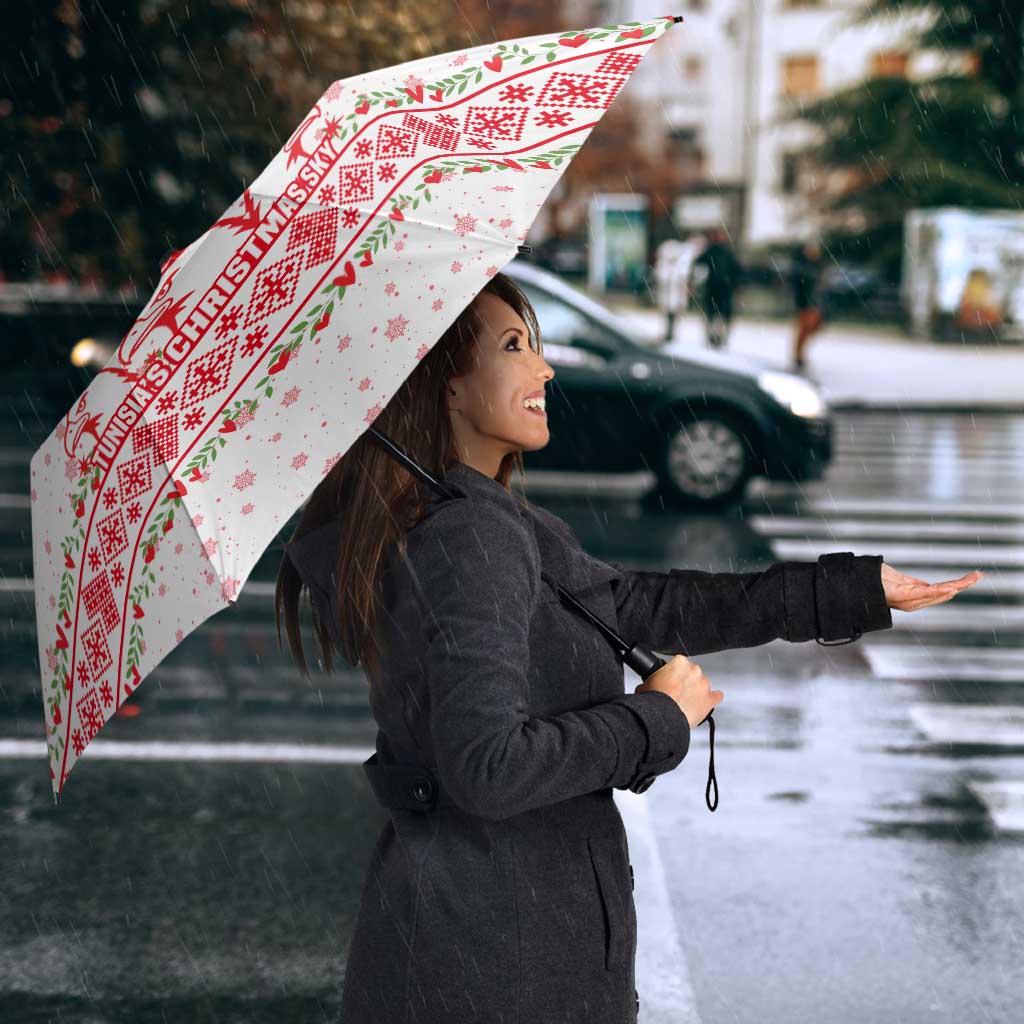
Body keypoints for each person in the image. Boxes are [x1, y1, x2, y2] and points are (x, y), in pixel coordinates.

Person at [276, 271, 976, 1024]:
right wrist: (656, 719)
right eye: (514, 346)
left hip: (481, 942)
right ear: (445, 385)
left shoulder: (476, 518)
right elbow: (487, 768)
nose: (544, 368)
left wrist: (850, 591)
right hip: (499, 963)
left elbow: (640, 605)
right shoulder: (469, 537)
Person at [692, 226, 742, 349]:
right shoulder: (712, 251)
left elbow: (736, 270)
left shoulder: (725, 252)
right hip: (715, 288)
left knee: (720, 315)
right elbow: (698, 264)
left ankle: (719, 337)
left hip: (723, 288)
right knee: (713, 314)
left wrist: (735, 284)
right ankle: (713, 337)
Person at [790, 239, 826, 370]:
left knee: (812, 328)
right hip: (805, 303)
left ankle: (799, 354)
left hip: (814, 303)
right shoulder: (802, 267)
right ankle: (798, 355)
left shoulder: (817, 266)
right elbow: (799, 286)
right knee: (804, 329)